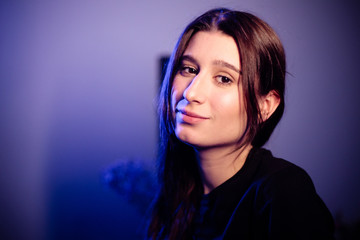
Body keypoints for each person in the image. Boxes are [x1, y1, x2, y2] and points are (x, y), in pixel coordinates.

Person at [147, 8, 334, 239]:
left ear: (266, 106)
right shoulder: (176, 196)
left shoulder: (283, 190)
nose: (192, 92)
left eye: (224, 78)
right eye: (189, 69)